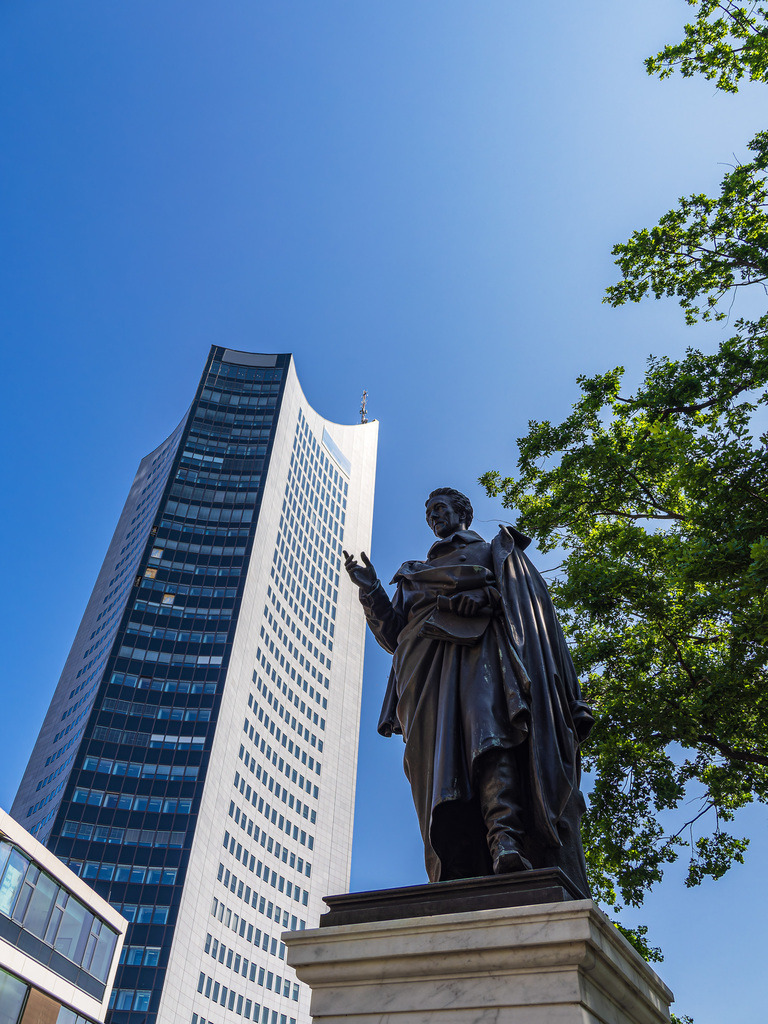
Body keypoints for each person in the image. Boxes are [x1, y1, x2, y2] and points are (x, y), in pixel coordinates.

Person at [344, 487, 594, 894]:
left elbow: (523, 603)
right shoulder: (413, 572)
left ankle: (505, 839)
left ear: (463, 513)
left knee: (491, 735)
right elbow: (392, 634)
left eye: (440, 508)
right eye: (429, 512)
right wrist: (371, 589)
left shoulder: (493, 551)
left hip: (481, 653)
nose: (434, 516)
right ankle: (459, 858)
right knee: (439, 768)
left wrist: (487, 595)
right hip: (425, 673)